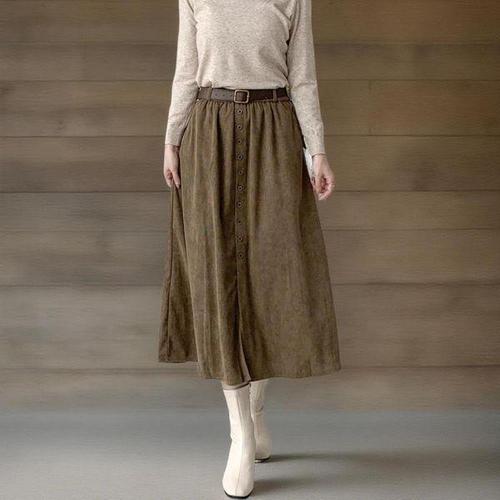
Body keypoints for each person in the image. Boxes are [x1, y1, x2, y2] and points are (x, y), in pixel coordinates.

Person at [159, 0, 341, 497]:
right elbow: (186, 69)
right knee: (218, 276)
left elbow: (303, 77)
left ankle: (256, 408)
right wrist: (172, 138)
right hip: (209, 132)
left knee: (272, 275)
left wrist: (317, 150)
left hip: (274, 130)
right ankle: (240, 433)